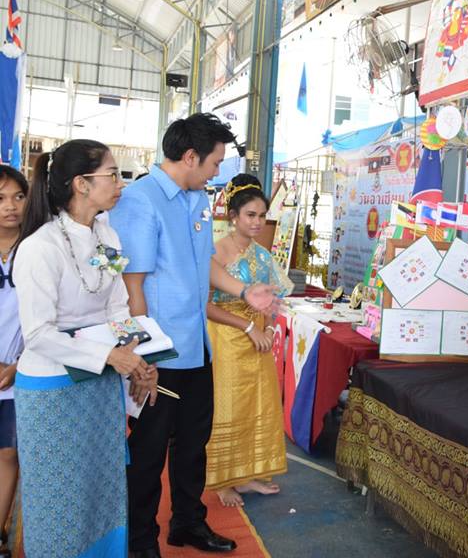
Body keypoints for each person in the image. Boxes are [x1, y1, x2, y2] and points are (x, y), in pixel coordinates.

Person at [111, 114, 277, 558]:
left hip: (196, 347)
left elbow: (204, 264)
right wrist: (142, 356)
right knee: (148, 453)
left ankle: (187, 522)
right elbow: (132, 285)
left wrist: (244, 291)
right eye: (215, 162)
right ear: (189, 156)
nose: (217, 171)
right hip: (159, 354)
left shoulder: (198, 198)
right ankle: (140, 541)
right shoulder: (141, 200)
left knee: (193, 444)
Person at [12, 141, 156, 557]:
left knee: (99, 491)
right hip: (52, 391)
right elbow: (38, 334)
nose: (120, 183)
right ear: (81, 184)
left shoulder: (106, 234)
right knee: (59, 502)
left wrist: (137, 356)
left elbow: (117, 308)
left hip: (98, 386)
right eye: (113, 174)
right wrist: (111, 356)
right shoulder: (40, 247)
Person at [206, 174, 292, 507]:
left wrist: (268, 330)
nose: (257, 222)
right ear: (233, 216)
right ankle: (223, 481)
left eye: (262, 216)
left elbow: (273, 300)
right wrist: (248, 328)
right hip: (227, 339)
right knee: (228, 409)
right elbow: (206, 306)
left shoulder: (263, 255)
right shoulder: (215, 253)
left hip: (259, 341)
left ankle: (246, 474)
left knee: (257, 406)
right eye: (250, 215)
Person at [0, 166, 27, 557]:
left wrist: (20, 363)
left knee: (8, 452)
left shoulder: (37, 248)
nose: (10, 206)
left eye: (18, 197)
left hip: (21, 368)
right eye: (1, 199)